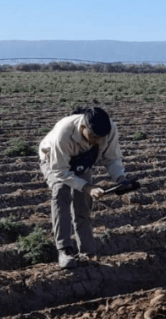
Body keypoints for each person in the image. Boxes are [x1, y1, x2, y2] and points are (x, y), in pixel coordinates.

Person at [38, 106, 128, 269]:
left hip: (83, 162)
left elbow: (112, 158)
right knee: (61, 193)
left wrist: (120, 178)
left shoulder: (109, 129)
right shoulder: (63, 133)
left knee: (83, 204)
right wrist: (87, 187)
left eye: (102, 138)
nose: (99, 141)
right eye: (94, 137)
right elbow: (60, 171)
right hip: (55, 161)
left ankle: (88, 251)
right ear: (82, 128)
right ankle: (64, 250)